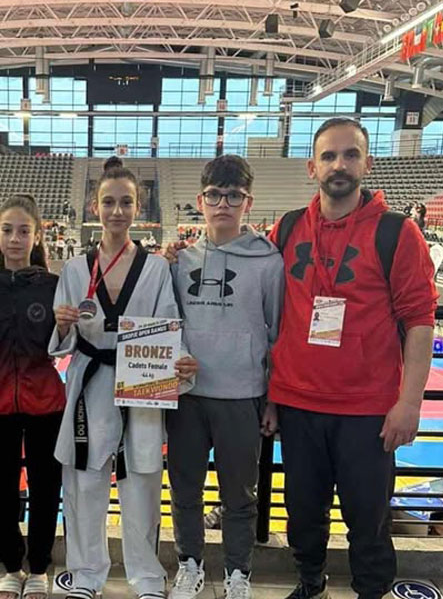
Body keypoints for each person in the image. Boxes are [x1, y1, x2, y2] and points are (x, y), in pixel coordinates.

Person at [265, 118, 437, 599]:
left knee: (369, 516)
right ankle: (310, 583)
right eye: (328, 156)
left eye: (350, 154)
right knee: (302, 511)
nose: (338, 165)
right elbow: (268, 310)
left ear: (367, 163)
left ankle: (371, 591)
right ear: (311, 167)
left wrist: (410, 403)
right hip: (298, 401)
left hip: (368, 409)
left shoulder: (397, 233)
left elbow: (420, 322)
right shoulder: (288, 228)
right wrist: (272, 393)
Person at [50, 156, 198, 599]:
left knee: (142, 482)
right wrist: (62, 325)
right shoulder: (76, 269)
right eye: (109, 202)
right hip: (90, 381)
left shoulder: (156, 269)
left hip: (141, 384)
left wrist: (181, 361)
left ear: (138, 207)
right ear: (94, 207)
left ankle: (148, 578)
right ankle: (86, 575)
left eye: (126, 202)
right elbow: (64, 341)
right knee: (84, 482)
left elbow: (170, 327)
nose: (117, 211)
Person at [166, 155, 284, 599]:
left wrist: (273, 398)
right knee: (185, 490)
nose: (223, 204)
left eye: (234, 196)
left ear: (248, 202)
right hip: (188, 395)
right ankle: (189, 565)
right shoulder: (178, 261)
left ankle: (238, 573)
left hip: (242, 395)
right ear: (200, 201)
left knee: (240, 495)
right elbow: (168, 322)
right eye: (214, 195)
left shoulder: (269, 262)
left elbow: (278, 333)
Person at [0, 194, 65, 599]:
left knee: (45, 489)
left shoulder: (54, 287)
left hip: (46, 402)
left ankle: (40, 568)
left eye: (23, 231)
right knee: (3, 491)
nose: (15, 239)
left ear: (37, 235)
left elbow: (67, 340)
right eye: (8, 230)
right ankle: (12, 567)